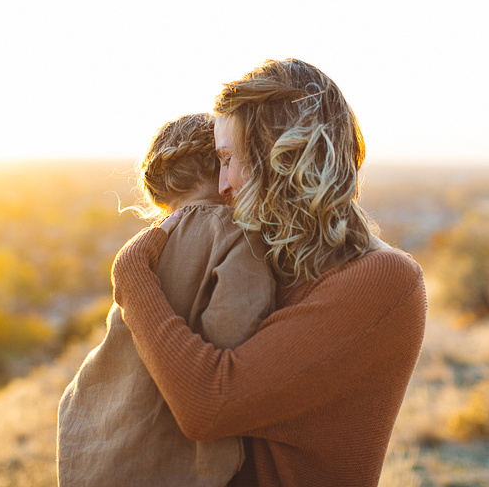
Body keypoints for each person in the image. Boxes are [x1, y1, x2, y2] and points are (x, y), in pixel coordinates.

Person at [111, 59, 428, 487]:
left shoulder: (382, 281)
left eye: (228, 159)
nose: (222, 185)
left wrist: (132, 273)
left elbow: (209, 404)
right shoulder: (260, 259)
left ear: (279, 157)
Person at [57, 113, 276, 487]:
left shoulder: (147, 244)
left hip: (98, 446)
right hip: (177, 465)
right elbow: (234, 335)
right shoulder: (239, 238)